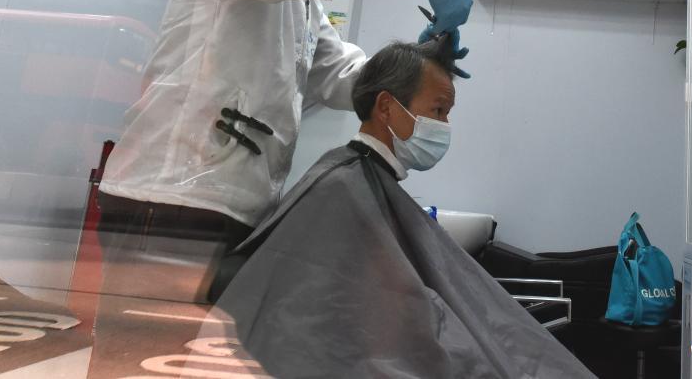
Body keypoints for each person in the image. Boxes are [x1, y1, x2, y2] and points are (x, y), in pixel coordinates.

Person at [94, 0, 473, 303]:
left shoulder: (302, 5)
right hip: (170, 196)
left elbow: (339, 74)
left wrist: (416, 66)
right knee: (140, 361)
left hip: (233, 206)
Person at [205, 37, 595, 379]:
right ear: (387, 108)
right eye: (439, 110)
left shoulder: (357, 178)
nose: (444, 125)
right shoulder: (342, 187)